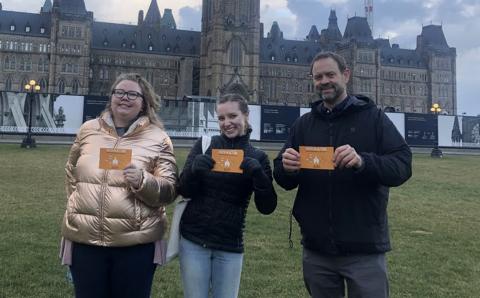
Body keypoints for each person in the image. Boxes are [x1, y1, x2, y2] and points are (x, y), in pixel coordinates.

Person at [273, 52, 412, 298]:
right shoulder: (304, 125)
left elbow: (402, 165)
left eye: (330, 75)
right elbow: (283, 178)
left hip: (364, 248)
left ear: (345, 75)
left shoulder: (374, 118)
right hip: (317, 250)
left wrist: (363, 161)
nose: (324, 81)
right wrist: (286, 167)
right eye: (318, 77)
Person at [60, 73, 178, 298]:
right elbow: (71, 171)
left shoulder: (158, 138)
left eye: (133, 94)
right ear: (111, 97)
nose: (125, 98)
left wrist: (143, 181)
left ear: (145, 102)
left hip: (135, 245)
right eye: (119, 92)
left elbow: (169, 190)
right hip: (86, 242)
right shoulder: (88, 130)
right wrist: (78, 207)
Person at [177, 93, 277, 298]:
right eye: (221, 118)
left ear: (246, 115)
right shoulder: (205, 145)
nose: (227, 123)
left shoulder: (258, 156)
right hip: (194, 240)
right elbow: (183, 190)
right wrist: (193, 171)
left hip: (230, 245)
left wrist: (259, 176)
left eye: (232, 116)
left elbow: (267, 208)